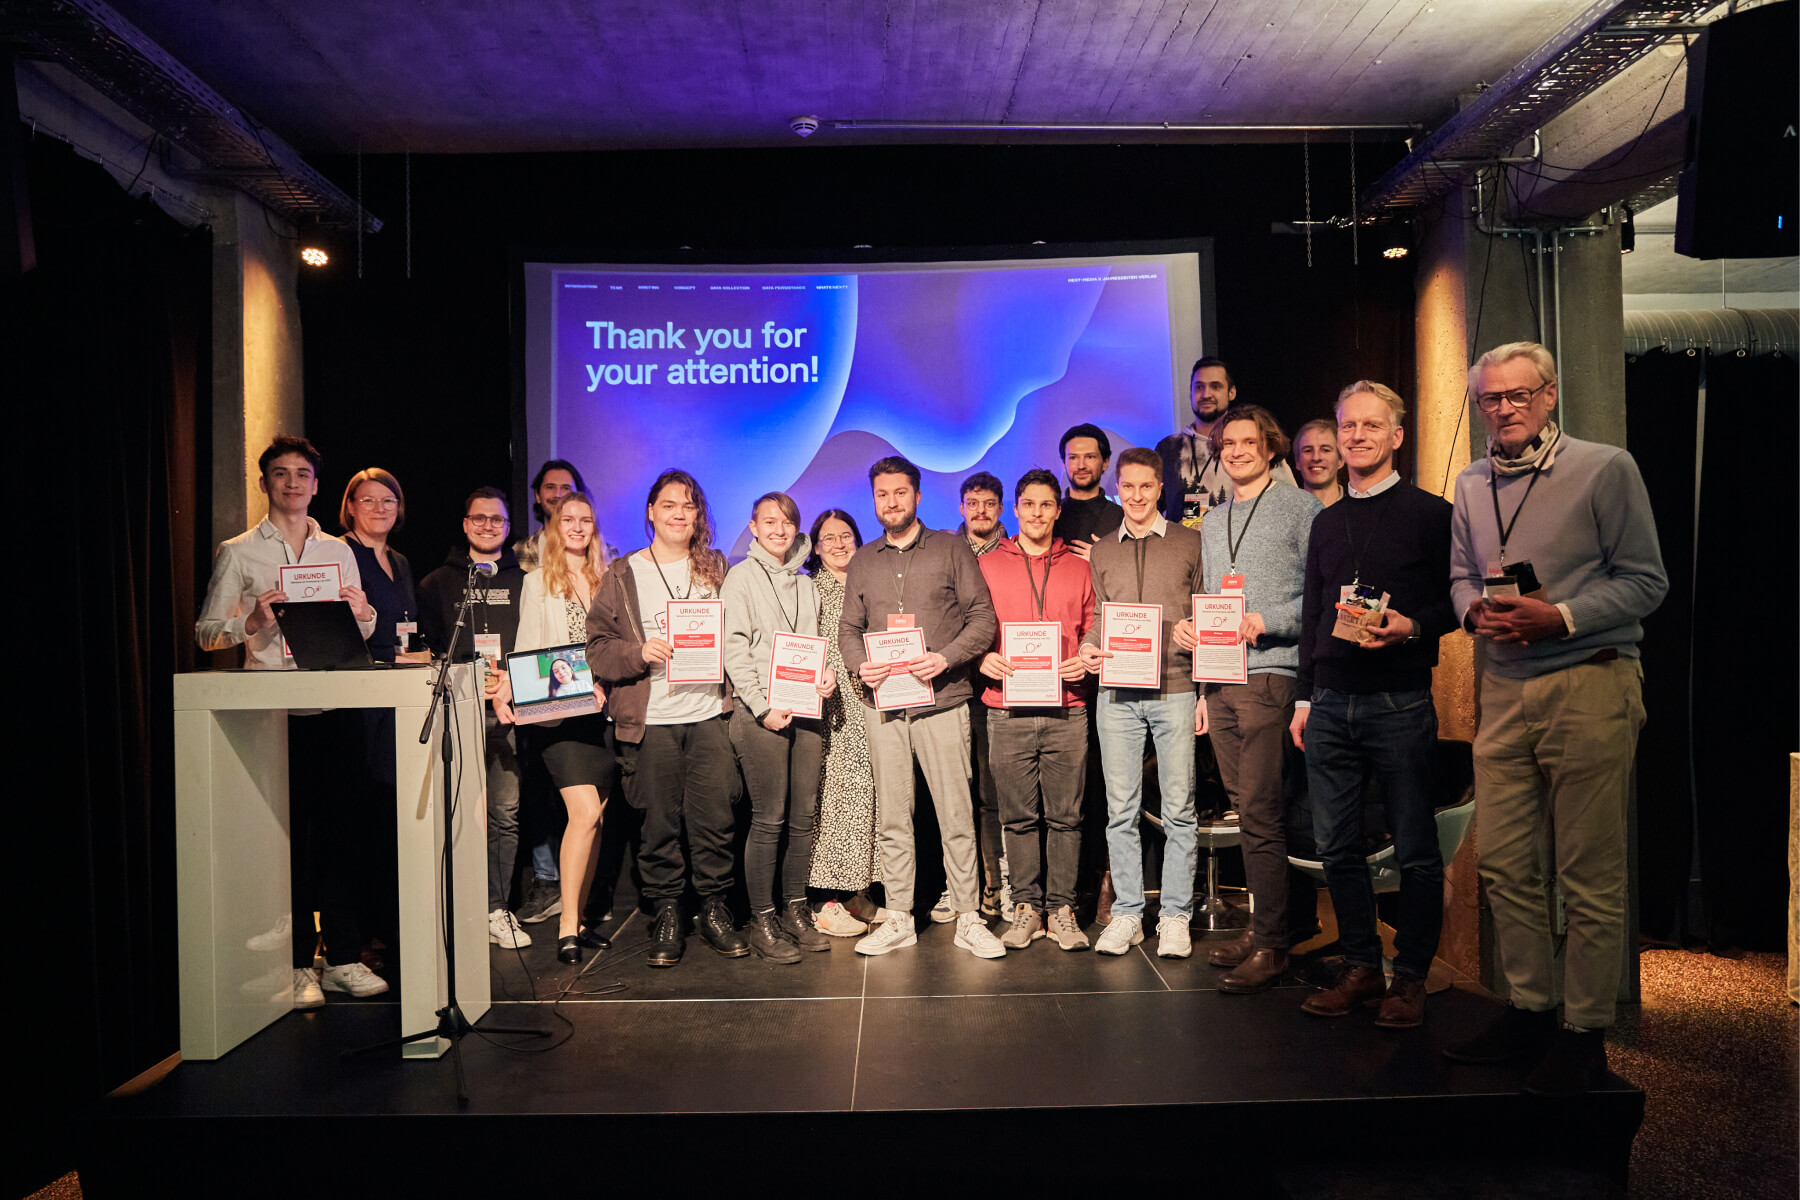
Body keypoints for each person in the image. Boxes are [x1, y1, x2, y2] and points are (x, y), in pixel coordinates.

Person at [1444, 342, 1666, 1094]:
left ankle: (1585, 1031)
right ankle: (1533, 1009)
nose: (1504, 408)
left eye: (1517, 395)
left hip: (1590, 683)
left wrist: (1562, 616)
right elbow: (1460, 573)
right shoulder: (1473, 483)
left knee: (1589, 873)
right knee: (1506, 863)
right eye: (1490, 398)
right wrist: (1471, 609)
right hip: (1503, 689)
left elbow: (1646, 581)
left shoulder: (1606, 468)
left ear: (1550, 396)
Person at [195, 434, 383, 1009]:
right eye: (281, 473)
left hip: (336, 706)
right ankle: (299, 964)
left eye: (303, 474)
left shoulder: (339, 548)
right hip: (276, 714)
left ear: (317, 485)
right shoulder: (240, 551)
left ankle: (345, 958)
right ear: (265, 483)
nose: (293, 483)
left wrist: (362, 613)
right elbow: (206, 633)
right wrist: (250, 620)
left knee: (344, 837)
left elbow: (366, 628)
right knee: (291, 842)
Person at [1289, 382, 1454, 1025]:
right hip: (1329, 705)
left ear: (1396, 436)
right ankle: (1360, 966)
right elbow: (1310, 616)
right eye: (1347, 426)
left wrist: (1411, 627)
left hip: (1400, 705)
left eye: (1369, 426)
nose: (1355, 436)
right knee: (1338, 850)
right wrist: (1304, 699)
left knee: (1414, 849)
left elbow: (1457, 603)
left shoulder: (1430, 513)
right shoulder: (1326, 521)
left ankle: (1408, 977)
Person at [839, 455, 1004, 960]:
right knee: (893, 818)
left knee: (955, 815)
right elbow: (849, 629)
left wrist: (946, 657)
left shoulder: (952, 549)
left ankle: (969, 916)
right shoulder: (864, 559)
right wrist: (857, 664)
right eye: (882, 495)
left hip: (944, 700)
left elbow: (983, 618)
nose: (891, 502)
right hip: (884, 705)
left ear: (917, 496)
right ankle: (899, 918)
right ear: (875, 501)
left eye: (900, 493)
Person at [1178, 404, 1320, 989]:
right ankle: (1269, 926)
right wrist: (1202, 672)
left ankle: (1273, 944)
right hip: (1224, 677)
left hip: (1271, 672)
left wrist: (1272, 619)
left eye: (1247, 442)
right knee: (1249, 807)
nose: (1236, 451)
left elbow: (1319, 598)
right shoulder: (1214, 519)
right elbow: (1213, 595)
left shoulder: (1301, 508)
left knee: (1261, 809)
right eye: (1227, 443)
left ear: (1270, 447)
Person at [587, 469, 747, 967]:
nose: (680, 513)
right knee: (658, 824)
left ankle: (715, 909)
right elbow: (597, 649)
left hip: (709, 715)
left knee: (715, 820)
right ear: (651, 512)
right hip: (650, 719)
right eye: (670, 504)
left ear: (699, 516)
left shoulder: (718, 568)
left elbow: (746, 630)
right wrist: (639, 652)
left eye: (689, 506)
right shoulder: (622, 574)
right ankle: (668, 913)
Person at [1079, 447, 1204, 958]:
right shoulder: (1103, 550)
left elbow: (1207, 613)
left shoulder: (1190, 544)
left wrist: (1204, 684)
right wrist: (1089, 645)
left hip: (1174, 690)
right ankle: (1129, 913)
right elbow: (1100, 618)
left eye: (1145, 487)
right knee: (1120, 811)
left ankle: (1175, 915)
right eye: (1126, 487)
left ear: (1159, 490)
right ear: (1118, 489)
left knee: (1178, 809)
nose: (1135, 496)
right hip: (1116, 694)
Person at [978, 469, 1097, 951]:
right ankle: (1026, 908)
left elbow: (1095, 625)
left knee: (1067, 816)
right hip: (1006, 709)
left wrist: (1086, 655)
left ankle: (1062, 909)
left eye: (1046, 505)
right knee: (1018, 817)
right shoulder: (988, 564)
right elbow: (971, 623)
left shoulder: (1080, 566)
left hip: (1068, 709)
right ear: (1015, 508)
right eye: (1028, 504)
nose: (1036, 513)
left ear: (1057, 510)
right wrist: (981, 656)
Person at [722, 492, 840, 963]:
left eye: (787, 521)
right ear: (753, 527)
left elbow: (815, 643)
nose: (779, 529)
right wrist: (760, 705)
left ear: (797, 529)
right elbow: (733, 651)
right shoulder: (740, 578)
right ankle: (762, 919)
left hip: (807, 710)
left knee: (801, 820)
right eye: (769, 521)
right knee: (769, 819)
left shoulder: (806, 583)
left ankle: (795, 911)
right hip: (761, 716)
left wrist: (826, 671)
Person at [496, 492, 613, 964]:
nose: (578, 527)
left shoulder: (609, 579)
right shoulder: (537, 581)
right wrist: (510, 689)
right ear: (554, 525)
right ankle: (567, 925)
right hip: (561, 715)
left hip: (607, 716)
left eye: (586, 519)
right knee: (583, 813)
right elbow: (528, 650)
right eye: (569, 519)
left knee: (597, 819)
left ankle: (580, 917)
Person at [417, 486, 533, 950]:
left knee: (504, 813)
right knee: (454, 814)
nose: (488, 527)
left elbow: (540, 645)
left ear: (508, 528)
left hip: (509, 713)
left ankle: (496, 908)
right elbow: (422, 652)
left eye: (498, 521)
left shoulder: (527, 580)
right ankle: (453, 908)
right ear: (465, 524)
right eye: (479, 519)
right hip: (454, 714)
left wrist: (513, 679)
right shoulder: (436, 584)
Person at [804, 509, 888, 937]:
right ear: (815, 547)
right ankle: (824, 896)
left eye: (846, 535)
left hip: (870, 706)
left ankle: (857, 890)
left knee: (867, 800)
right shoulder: (809, 590)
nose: (839, 544)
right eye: (828, 538)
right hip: (829, 709)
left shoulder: (867, 583)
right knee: (833, 801)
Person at [942, 470, 1008, 924]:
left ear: (1001, 509)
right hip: (949, 683)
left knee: (993, 791)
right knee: (951, 792)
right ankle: (957, 885)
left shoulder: (1016, 551)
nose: (980, 511)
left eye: (989, 503)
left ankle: (997, 883)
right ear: (961, 507)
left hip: (1002, 683)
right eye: (973, 502)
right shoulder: (944, 550)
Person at [1156, 357, 1297, 526]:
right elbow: (1151, 508)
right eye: (1199, 387)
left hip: (1242, 548)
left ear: (1232, 392)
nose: (1206, 394)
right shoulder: (1168, 448)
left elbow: (1291, 505)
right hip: (1183, 549)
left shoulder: (1258, 445)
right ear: (1190, 393)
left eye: (1215, 386)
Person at [1052, 422, 1124, 559]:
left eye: (1090, 457)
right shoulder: (1049, 516)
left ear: (1105, 462)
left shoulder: (1122, 518)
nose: (1081, 466)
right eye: (1073, 458)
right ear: (1064, 464)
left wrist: (1105, 561)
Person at [1293, 418, 1345, 508]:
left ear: (1341, 460)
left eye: (1325, 450)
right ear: (1297, 461)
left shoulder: (1359, 512)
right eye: (1308, 450)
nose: (1316, 457)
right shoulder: (1282, 514)